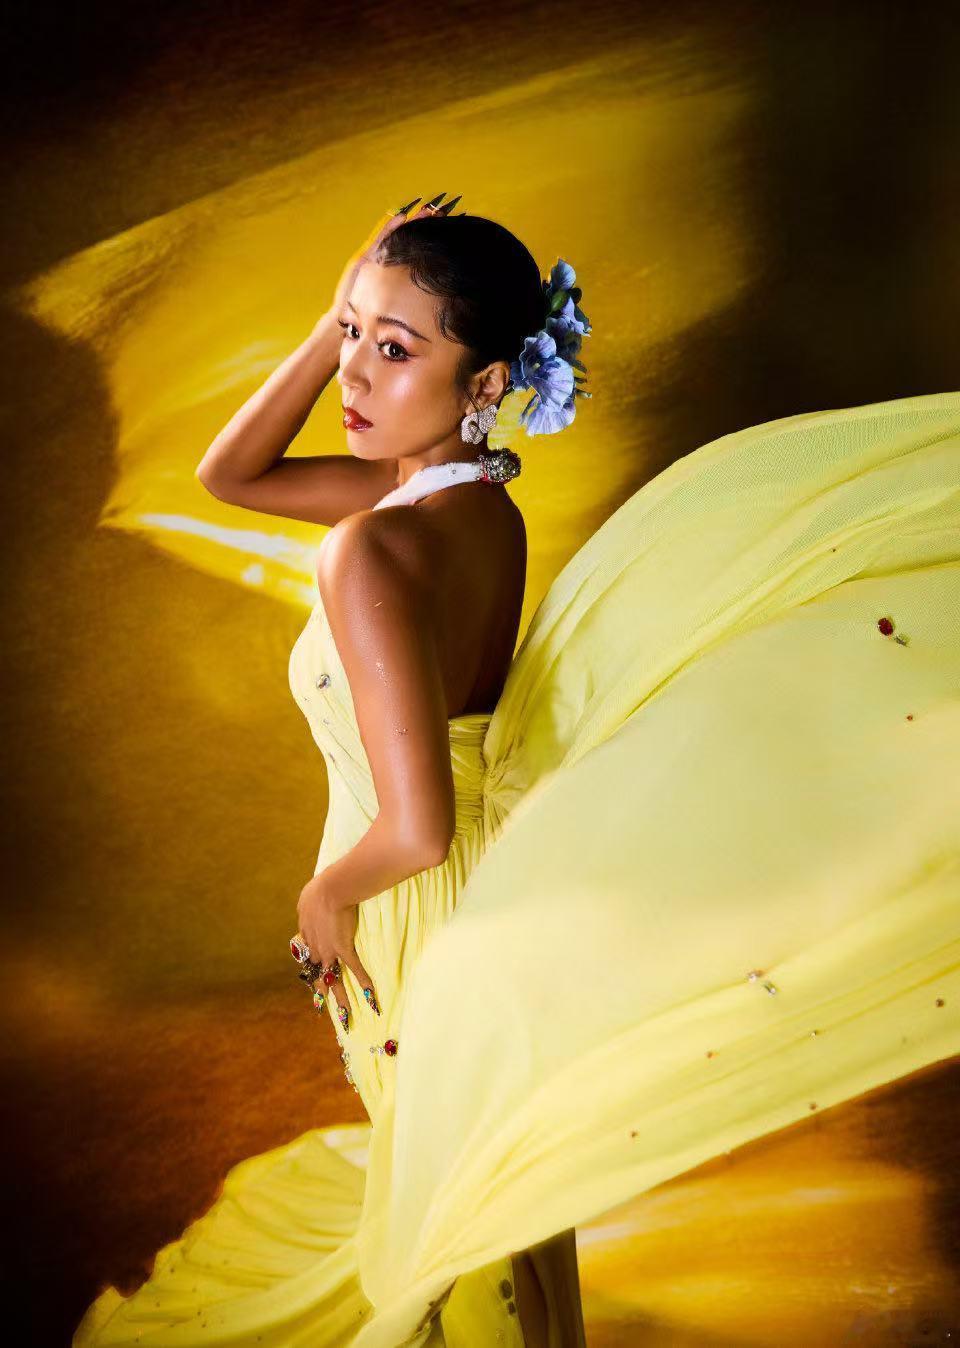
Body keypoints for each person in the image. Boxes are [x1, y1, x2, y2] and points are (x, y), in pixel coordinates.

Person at [73, 196, 960, 1348]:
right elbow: (230, 475)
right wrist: (337, 317)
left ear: (487, 381)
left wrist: (325, 894)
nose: (354, 373)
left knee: (460, 1227)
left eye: (396, 350)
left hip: (415, 912)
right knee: (492, 1198)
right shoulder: (474, 503)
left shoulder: (371, 544)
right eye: (353, 335)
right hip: (486, 890)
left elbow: (418, 827)